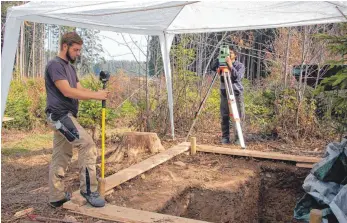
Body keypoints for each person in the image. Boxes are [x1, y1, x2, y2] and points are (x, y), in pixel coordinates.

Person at [45, 32, 109, 208]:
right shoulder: (54, 65)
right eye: (75, 50)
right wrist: (97, 95)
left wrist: (99, 94)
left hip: (67, 115)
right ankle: (88, 190)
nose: (78, 53)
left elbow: (79, 89)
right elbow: (67, 91)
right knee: (87, 144)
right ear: (65, 46)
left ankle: (56, 196)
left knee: (61, 155)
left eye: (79, 50)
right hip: (60, 115)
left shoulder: (70, 69)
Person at [212, 45, 245, 145]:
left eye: (230, 53)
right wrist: (219, 59)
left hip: (236, 92)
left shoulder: (239, 65)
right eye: (226, 53)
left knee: (238, 116)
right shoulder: (222, 63)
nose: (227, 55)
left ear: (235, 55)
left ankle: (238, 138)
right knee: (224, 116)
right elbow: (213, 68)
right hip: (224, 92)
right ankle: (225, 138)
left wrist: (230, 66)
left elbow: (237, 78)